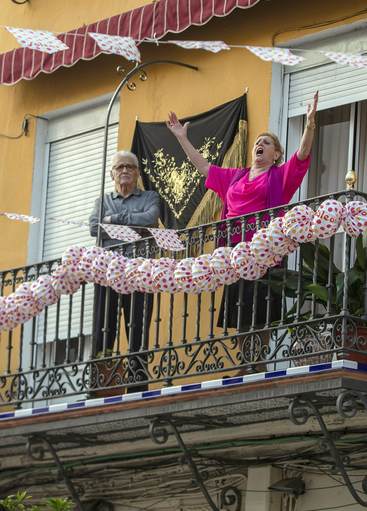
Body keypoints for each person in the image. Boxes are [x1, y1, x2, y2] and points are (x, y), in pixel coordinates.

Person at [166, 92, 319, 375]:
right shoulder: (234, 177)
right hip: (234, 256)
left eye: (267, 143)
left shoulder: (280, 176)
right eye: (258, 142)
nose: (260, 144)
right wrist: (181, 138)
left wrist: (309, 125)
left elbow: (302, 157)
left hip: (263, 254)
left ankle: (257, 364)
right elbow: (203, 166)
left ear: (276, 154)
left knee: (260, 312)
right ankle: (246, 363)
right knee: (239, 312)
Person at [89, 150, 160, 393]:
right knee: (103, 327)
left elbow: (150, 219)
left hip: (139, 272)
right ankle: (100, 382)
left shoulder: (150, 196)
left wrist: (113, 219)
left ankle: (137, 384)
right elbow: (93, 227)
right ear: (112, 174)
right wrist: (129, 224)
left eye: (130, 166)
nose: (125, 171)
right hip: (107, 272)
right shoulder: (103, 200)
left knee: (138, 327)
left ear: (138, 172)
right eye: (120, 167)